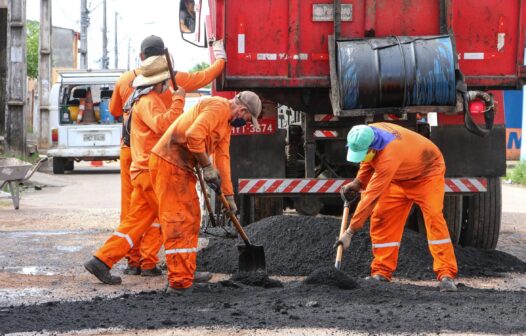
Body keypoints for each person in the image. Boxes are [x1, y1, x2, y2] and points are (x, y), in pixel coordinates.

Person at [109, 35, 227, 276]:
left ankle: (133, 261)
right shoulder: (174, 79)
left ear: (141, 57)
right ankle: (148, 260)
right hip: (157, 154)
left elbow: (114, 111)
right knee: (158, 209)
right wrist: (220, 58)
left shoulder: (124, 80)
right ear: (163, 56)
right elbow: (204, 76)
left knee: (133, 208)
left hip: (128, 149)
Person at [149, 91, 262, 295]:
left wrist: (229, 197)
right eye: (247, 119)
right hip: (169, 163)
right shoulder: (217, 106)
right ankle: (179, 282)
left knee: (192, 218)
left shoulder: (226, 125)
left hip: (182, 167)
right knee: (178, 220)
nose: (245, 123)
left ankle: (187, 271)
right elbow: (193, 135)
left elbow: (223, 159)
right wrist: (207, 166)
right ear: (243, 110)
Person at [335, 122, 458, 292]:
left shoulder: (390, 155)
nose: (363, 157)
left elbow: (371, 197)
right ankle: (381, 272)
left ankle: (446, 274)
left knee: (434, 218)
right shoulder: (368, 133)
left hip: (427, 174)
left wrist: (350, 231)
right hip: (399, 176)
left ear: (373, 147)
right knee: (382, 218)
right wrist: (358, 182)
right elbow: (368, 160)